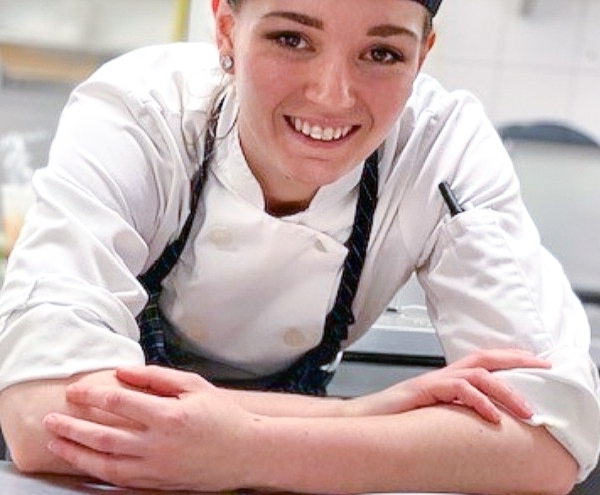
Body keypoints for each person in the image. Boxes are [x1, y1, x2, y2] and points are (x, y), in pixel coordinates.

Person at [0, 0, 598, 493]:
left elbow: (548, 442)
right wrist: (353, 418)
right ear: (227, 28)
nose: (333, 96)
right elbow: (39, 411)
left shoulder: (442, 148)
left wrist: (246, 450)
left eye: (383, 53)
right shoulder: (143, 111)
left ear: (423, 57)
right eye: (291, 39)